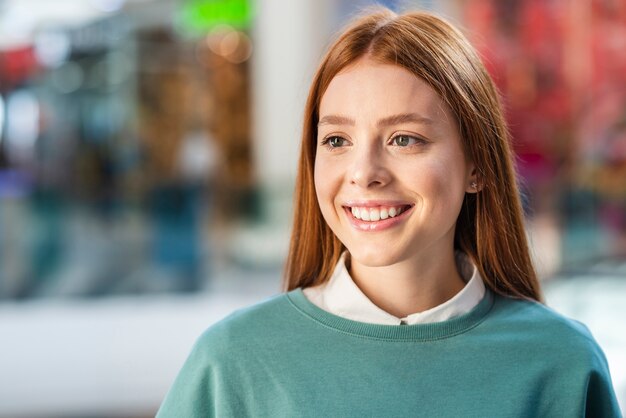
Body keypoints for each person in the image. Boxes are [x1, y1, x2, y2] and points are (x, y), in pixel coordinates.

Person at [157, 8, 622, 417]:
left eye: (405, 139)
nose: (364, 173)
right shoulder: (233, 363)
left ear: (477, 165)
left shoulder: (561, 363)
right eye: (337, 141)